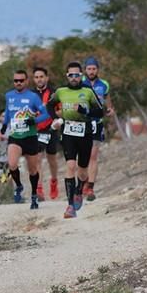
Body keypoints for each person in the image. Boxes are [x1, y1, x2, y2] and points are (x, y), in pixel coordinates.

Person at [46, 61, 104, 218]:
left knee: (83, 170)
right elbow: (49, 106)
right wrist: (54, 120)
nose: (74, 78)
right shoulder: (60, 92)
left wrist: (84, 110)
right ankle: (70, 205)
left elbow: (100, 112)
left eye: (77, 75)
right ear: (67, 76)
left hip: (85, 133)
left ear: (81, 76)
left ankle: (79, 191)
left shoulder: (88, 91)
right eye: (71, 75)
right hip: (68, 132)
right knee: (70, 165)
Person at [1, 69, 50, 209]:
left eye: (21, 80)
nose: (18, 83)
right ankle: (19, 186)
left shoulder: (33, 97)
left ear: (27, 81)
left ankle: (34, 195)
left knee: (33, 170)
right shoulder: (9, 95)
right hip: (15, 136)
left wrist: (33, 121)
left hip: (30, 137)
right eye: (16, 80)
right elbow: (8, 113)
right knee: (12, 164)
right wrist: (4, 125)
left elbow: (46, 114)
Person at [81, 56, 114, 201]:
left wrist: (110, 109)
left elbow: (107, 98)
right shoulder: (80, 83)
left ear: (97, 69)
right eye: (89, 69)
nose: (91, 71)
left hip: (97, 122)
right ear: (85, 70)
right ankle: (81, 184)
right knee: (82, 156)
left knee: (93, 156)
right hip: (82, 123)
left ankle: (90, 188)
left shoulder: (104, 84)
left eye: (94, 69)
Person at [31, 66, 60, 201]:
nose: (39, 79)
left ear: (46, 78)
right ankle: (39, 189)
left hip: (51, 129)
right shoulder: (30, 95)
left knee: (51, 160)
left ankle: (54, 181)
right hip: (37, 130)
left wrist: (56, 118)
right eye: (36, 77)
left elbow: (60, 110)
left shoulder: (54, 93)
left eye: (41, 77)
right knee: (37, 159)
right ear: (33, 79)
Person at [0, 109, 10, 183]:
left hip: (9, 157)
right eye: (3, 116)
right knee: (0, 176)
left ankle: (9, 190)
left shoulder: (12, 127)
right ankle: (1, 189)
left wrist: (6, 138)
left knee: (9, 176)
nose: (4, 118)